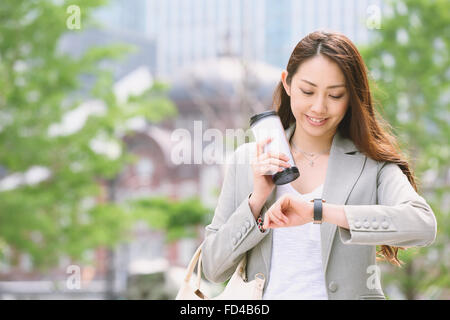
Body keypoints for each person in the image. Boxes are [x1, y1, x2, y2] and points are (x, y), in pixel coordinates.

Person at [201, 30, 437, 300]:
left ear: (351, 97)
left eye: (335, 95)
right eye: (308, 91)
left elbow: (422, 225)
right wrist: (256, 201)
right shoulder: (248, 160)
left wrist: (319, 211)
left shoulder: (371, 165)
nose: (318, 107)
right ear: (287, 84)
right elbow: (212, 268)